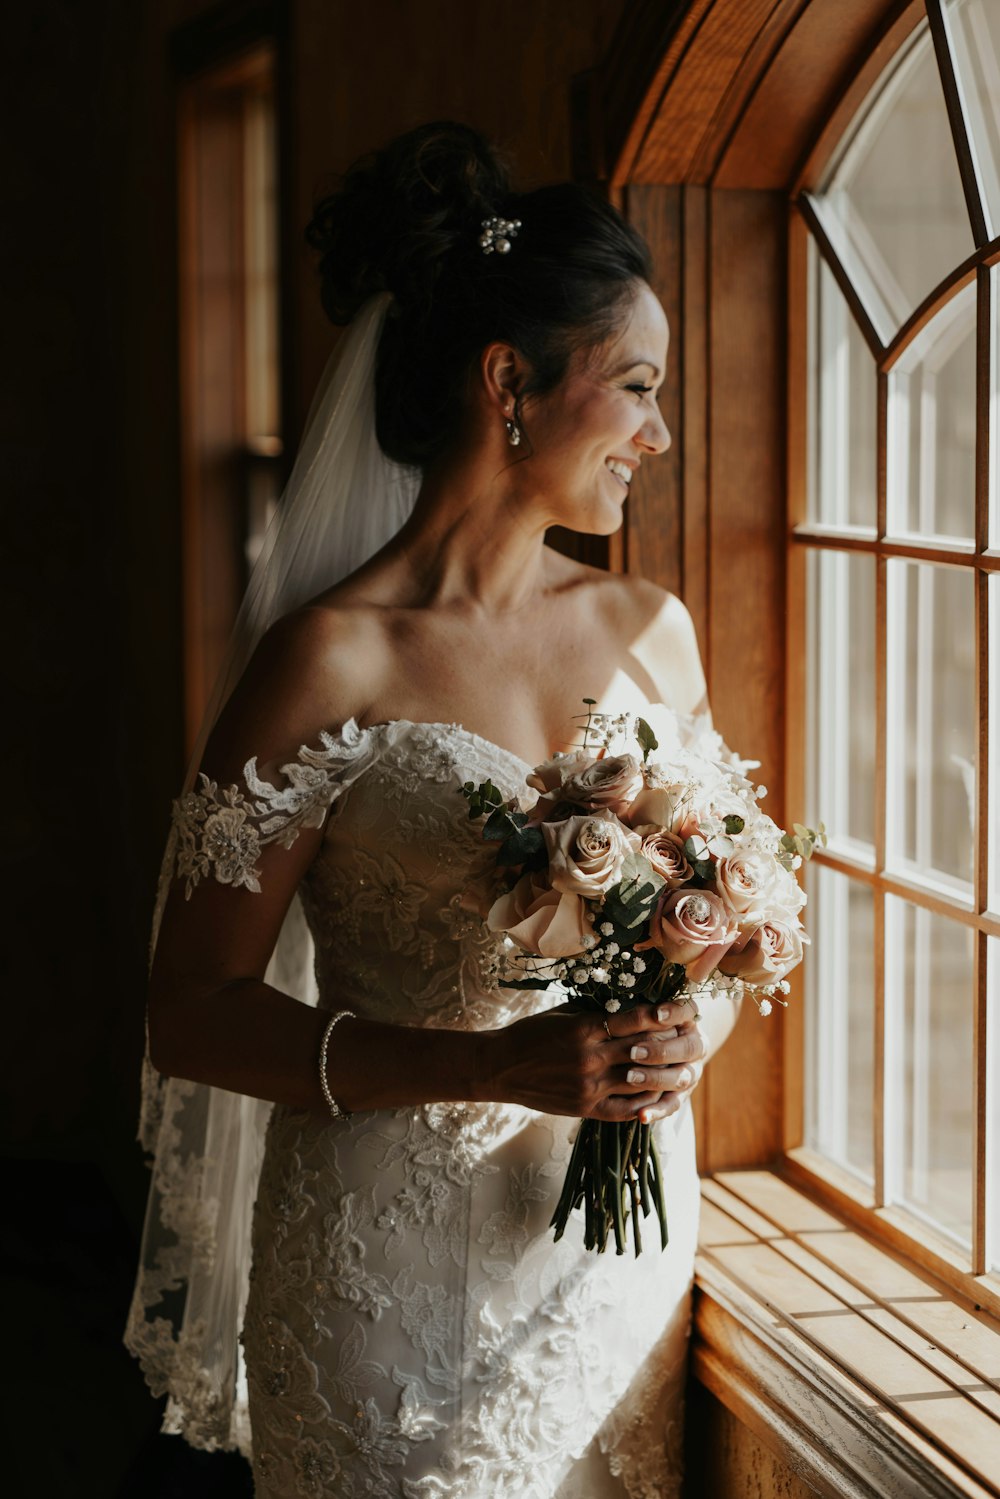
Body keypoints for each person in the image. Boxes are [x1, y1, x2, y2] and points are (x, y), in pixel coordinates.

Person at [126, 122, 742, 1498]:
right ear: (507, 381)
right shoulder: (328, 662)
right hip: (382, 1276)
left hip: (609, 1270)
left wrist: (686, 1022)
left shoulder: (655, 630)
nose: (660, 432)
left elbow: (719, 920)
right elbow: (190, 1008)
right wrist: (491, 1069)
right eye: (635, 386)